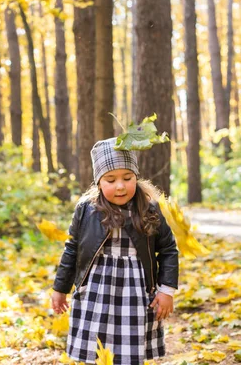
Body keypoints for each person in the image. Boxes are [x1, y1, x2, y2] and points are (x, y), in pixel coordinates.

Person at [51, 137, 179, 365]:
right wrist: (60, 288)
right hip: (96, 290)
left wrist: (166, 290)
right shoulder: (86, 209)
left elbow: (168, 249)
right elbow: (72, 249)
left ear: (136, 178)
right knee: (94, 345)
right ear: (99, 181)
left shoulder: (149, 209)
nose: (120, 186)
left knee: (129, 345)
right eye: (110, 179)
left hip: (135, 290)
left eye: (127, 178)